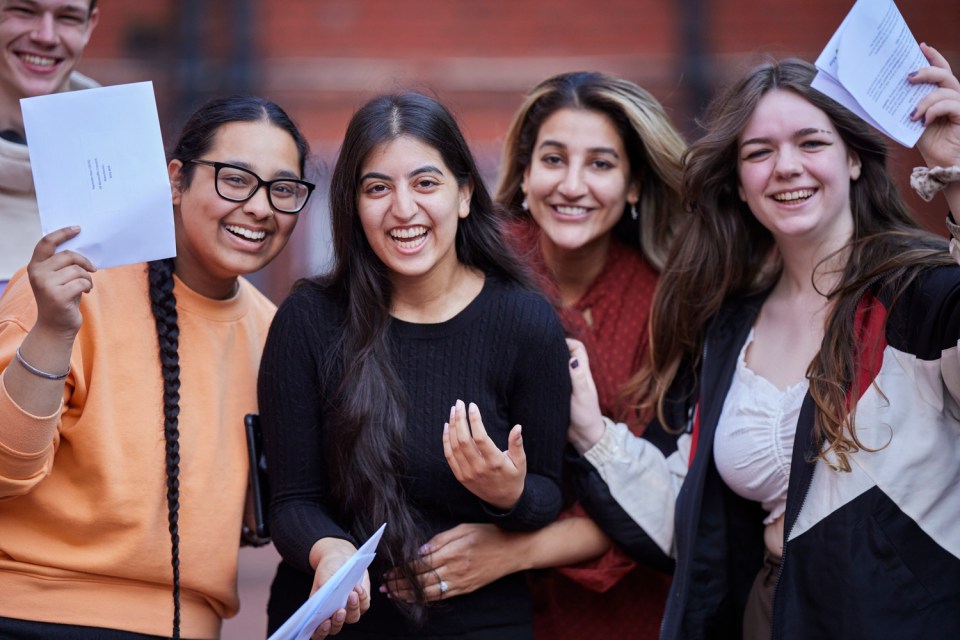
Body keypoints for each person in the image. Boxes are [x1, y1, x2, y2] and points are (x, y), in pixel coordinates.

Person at [566, 46, 960, 639]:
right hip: (771, 615)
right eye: (759, 152)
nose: (786, 167)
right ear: (741, 185)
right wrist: (590, 430)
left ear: (853, 158)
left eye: (811, 143)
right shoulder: (727, 330)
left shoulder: (919, 294)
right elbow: (691, 515)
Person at [382, 72, 685, 639]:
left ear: (635, 184)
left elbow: (658, 496)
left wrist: (511, 552)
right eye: (553, 159)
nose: (572, 185)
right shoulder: (465, 269)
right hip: (467, 605)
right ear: (523, 172)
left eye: (601, 164)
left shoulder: (665, 308)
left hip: (616, 606)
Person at [258, 92, 571, 639]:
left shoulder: (525, 321)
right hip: (338, 623)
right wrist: (330, 553)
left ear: (465, 194)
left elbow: (549, 491)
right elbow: (292, 501)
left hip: (479, 622)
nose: (403, 209)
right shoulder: (308, 319)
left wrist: (508, 494)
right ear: (353, 206)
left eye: (425, 183)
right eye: (378, 188)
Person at [0, 95, 314, 639]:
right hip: (32, 614)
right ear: (175, 180)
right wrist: (53, 331)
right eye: (235, 179)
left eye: (282, 190)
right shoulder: (69, 286)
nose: (260, 207)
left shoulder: (277, 332)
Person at [0, 0, 100, 298]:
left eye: (67, 17)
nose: (46, 36)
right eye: (24, 11)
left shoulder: (128, 160)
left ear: (89, 25)